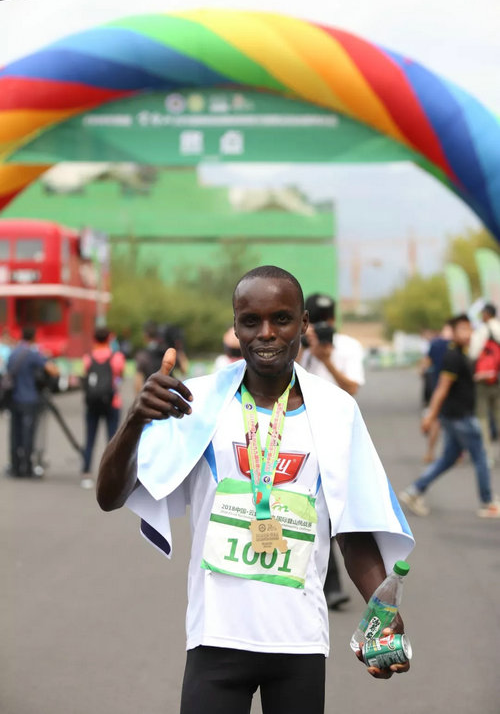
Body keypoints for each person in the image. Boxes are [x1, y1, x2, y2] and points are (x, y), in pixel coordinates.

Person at [96, 266, 413, 714]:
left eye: (281, 319)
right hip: (215, 638)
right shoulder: (195, 403)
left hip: (299, 642)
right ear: (236, 326)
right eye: (251, 321)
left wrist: (383, 614)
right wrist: (135, 421)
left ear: (303, 324)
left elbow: (354, 529)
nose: (266, 334)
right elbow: (109, 496)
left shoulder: (337, 412)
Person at [298, 293, 365, 610]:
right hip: (304, 434)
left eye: (328, 317)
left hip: (340, 436)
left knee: (340, 511)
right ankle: (329, 584)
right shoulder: (299, 346)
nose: (324, 324)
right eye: (317, 318)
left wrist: (326, 360)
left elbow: (351, 388)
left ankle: (337, 581)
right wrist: (305, 351)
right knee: (317, 508)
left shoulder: (349, 347)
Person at [400, 313, 500, 519]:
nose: (468, 333)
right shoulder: (452, 356)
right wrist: (429, 416)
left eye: (470, 328)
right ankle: (487, 502)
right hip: (459, 416)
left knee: (449, 458)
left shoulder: (463, 353)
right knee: (480, 456)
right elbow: (441, 389)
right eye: (462, 329)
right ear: (453, 332)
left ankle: (414, 491)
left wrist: (480, 376)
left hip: (457, 415)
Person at [7, 326, 59, 477]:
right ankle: (27, 467)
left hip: (13, 399)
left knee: (15, 434)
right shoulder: (33, 354)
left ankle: (15, 467)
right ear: (33, 337)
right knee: (28, 434)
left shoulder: (13, 353)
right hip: (29, 399)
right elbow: (53, 370)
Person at [81, 326, 125, 489]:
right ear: (109, 339)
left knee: (90, 438)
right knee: (112, 439)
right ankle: (110, 475)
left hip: (92, 402)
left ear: (94, 339)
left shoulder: (88, 357)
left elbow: (85, 375)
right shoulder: (117, 357)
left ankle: (86, 473)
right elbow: (120, 375)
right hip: (112, 402)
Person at [469, 302, 500, 467]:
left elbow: (474, 353)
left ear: (487, 314)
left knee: (483, 419)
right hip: (498, 379)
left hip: (483, 381)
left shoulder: (482, 330)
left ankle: (488, 455)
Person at [420, 322, 453, 463]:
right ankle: (456, 454)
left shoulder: (435, 344)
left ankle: (430, 452)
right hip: (455, 391)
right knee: (454, 422)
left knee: (436, 420)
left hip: (436, 387)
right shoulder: (457, 346)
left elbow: (426, 363)